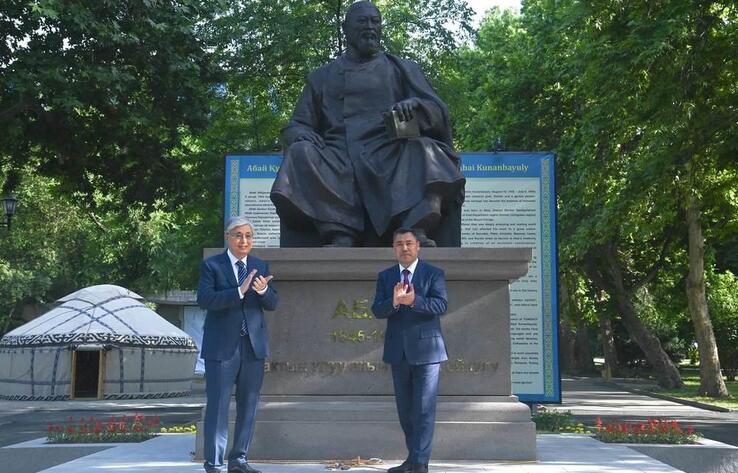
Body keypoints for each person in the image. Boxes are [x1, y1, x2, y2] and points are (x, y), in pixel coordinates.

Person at [270, 1, 465, 248]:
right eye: (362, 21)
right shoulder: (322, 77)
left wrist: (416, 105)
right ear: (345, 28)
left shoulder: (401, 69)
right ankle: (339, 231)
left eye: (375, 22)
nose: (370, 27)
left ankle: (414, 228)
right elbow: (297, 124)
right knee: (300, 152)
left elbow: (438, 112)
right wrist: (301, 135)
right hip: (338, 155)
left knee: (426, 150)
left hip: (390, 151)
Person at [197, 216, 278, 473]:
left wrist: (264, 291)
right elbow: (205, 300)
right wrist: (239, 291)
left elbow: (273, 303)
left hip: (252, 347)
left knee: (249, 404)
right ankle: (214, 463)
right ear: (227, 237)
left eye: (248, 236)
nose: (244, 241)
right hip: (222, 348)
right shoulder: (212, 266)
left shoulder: (259, 265)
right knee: (218, 406)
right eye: (239, 235)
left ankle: (239, 459)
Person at [371, 228, 449, 473]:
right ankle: (412, 459)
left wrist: (414, 301)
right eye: (399, 244)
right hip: (398, 352)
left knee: (424, 409)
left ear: (418, 247)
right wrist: (394, 302)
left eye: (408, 243)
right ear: (394, 248)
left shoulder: (433, 274)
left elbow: (441, 304)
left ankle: (419, 463)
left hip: (428, 353)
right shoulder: (385, 277)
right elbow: (377, 309)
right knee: (406, 412)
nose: (404, 248)